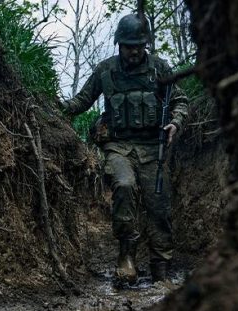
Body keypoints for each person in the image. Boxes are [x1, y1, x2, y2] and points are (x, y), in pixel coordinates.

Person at [59, 14, 188, 287]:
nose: (134, 51)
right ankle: (126, 256)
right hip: (119, 146)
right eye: (129, 45)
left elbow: (180, 101)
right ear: (119, 44)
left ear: (146, 45)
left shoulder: (159, 69)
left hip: (154, 148)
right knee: (125, 185)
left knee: (159, 206)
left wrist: (175, 123)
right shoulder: (106, 70)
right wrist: (59, 108)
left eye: (139, 45)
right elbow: (82, 100)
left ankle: (160, 270)